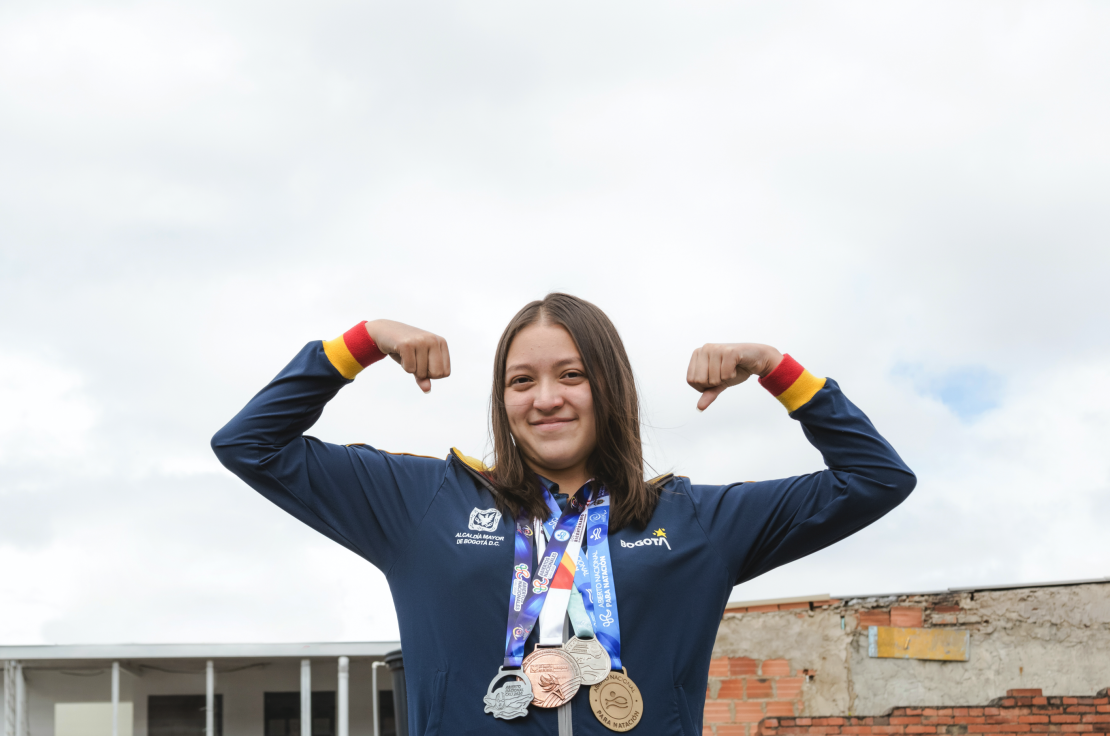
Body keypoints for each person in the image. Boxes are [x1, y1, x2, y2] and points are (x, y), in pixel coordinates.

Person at [212, 292, 915, 736]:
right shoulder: (422, 503)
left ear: (610, 389)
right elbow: (249, 444)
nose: (545, 397)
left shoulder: (696, 521)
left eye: (571, 375)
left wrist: (773, 366)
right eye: (522, 381)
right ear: (503, 400)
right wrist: (361, 341)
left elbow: (876, 478)